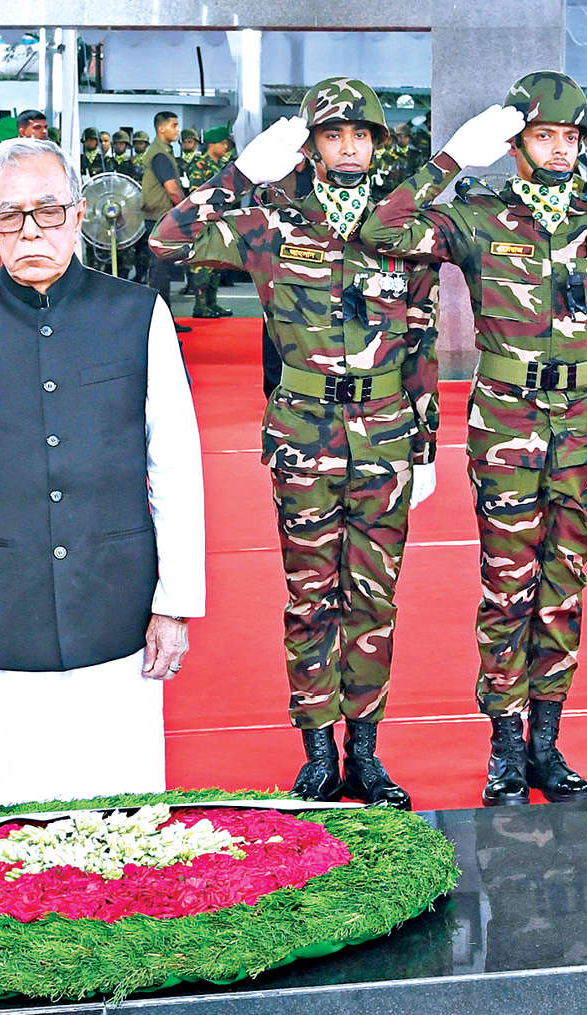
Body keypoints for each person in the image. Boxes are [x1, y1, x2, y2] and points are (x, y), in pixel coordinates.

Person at [151, 78, 438, 807]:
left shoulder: (402, 227)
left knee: (374, 598)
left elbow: (421, 337)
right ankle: (316, 752)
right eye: (334, 135)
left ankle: (365, 753)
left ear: (378, 145)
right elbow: (166, 240)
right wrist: (240, 174)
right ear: (309, 147)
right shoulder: (272, 222)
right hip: (304, 435)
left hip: (385, 435)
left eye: (361, 135)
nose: (349, 148)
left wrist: (426, 442)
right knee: (310, 597)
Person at [0, 136, 204, 807]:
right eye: (10, 215)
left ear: (78, 214)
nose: (31, 230)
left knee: (126, 822)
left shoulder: (138, 314)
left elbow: (175, 466)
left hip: (118, 600)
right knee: (10, 829)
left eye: (48, 210)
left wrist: (175, 603)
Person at [360, 71, 587, 807]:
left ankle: (547, 744)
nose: (560, 149)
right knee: (508, 588)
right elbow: (380, 230)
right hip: (507, 424)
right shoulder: (477, 217)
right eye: (544, 136)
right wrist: (451, 158)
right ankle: (506, 749)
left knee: (565, 588)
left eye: (570, 137)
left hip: (582, 426)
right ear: (515, 143)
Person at [174, 127, 235, 320]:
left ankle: (211, 302)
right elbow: (197, 196)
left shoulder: (221, 166)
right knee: (201, 263)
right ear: (212, 144)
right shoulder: (200, 166)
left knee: (217, 262)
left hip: (220, 221)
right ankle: (199, 306)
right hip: (202, 222)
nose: (226, 147)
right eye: (223, 143)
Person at [138, 111, 184, 303]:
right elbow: (172, 190)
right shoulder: (160, 155)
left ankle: (162, 310)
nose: (177, 129)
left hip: (158, 216)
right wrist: (187, 210)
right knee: (160, 268)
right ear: (161, 128)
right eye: (174, 125)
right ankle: (162, 312)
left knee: (161, 267)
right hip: (160, 217)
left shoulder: (162, 151)